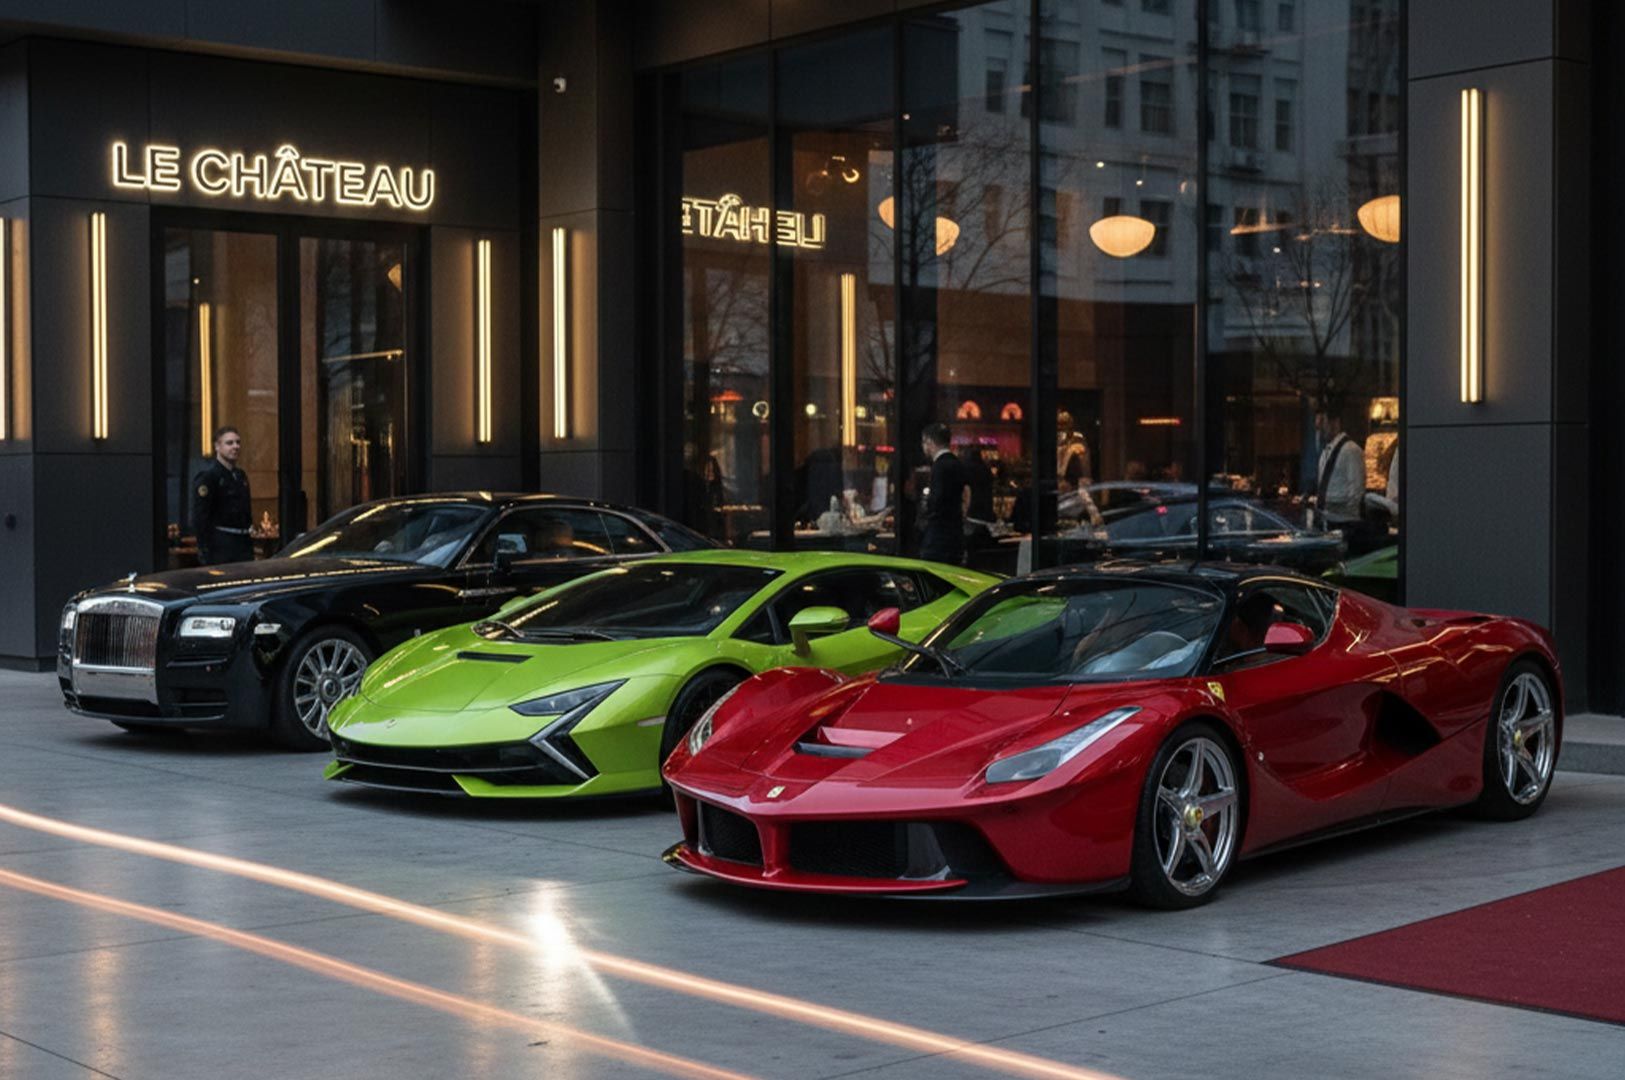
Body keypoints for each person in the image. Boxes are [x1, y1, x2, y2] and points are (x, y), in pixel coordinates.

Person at [192, 426, 254, 565]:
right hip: (222, 546)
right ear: (217, 447)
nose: (236, 447)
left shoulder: (240, 476)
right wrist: (204, 550)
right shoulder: (209, 478)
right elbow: (201, 518)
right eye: (229, 443)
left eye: (238, 442)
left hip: (243, 544)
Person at [918, 421, 967, 565]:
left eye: (924, 442)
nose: (923, 447)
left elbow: (936, 502)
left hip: (938, 539)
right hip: (955, 536)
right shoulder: (957, 464)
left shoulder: (939, 467)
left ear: (930, 442)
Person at [1313, 409, 1365, 531]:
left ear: (1335, 423)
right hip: (1327, 520)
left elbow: (1356, 492)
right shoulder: (1325, 453)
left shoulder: (1351, 450)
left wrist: (1333, 506)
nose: (1319, 428)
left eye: (1322, 422)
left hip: (1345, 522)